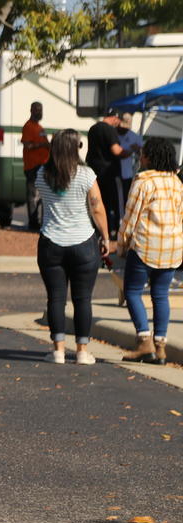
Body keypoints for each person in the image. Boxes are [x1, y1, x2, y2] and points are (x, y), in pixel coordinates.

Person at [35, 129, 110, 365]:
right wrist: (106, 237)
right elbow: (96, 207)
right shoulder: (86, 174)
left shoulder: (41, 174)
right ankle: (81, 351)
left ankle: (57, 350)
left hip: (51, 242)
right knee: (82, 299)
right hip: (83, 243)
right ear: (75, 147)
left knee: (55, 298)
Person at [117, 137, 183, 365]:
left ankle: (144, 342)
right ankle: (161, 348)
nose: (141, 157)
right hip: (172, 248)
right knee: (160, 295)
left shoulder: (142, 182)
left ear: (149, 157)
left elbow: (130, 217)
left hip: (146, 246)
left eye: (143, 154)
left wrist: (122, 245)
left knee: (133, 291)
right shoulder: (177, 183)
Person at [86, 109, 131, 236]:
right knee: (116, 203)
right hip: (110, 173)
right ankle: (116, 230)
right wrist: (130, 151)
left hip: (95, 172)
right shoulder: (109, 129)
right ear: (115, 118)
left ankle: (99, 229)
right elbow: (116, 151)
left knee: (100, 201)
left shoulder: (93, 128)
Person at [21, 101, 50, 231]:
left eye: (41, 109)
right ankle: (33, 223)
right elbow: (27, 145)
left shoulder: (40, 127)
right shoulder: (28, 126)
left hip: (43, 165)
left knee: (43, 195)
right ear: (31, 110)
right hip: (33, 166)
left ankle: (42, 222)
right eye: (37, 109)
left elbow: (47, 143)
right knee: (33, 196)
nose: (40, 112)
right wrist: (41, 145)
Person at [116, 112, 143, 215]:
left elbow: (143, 154)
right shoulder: (112, 134)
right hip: (113, 173)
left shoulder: (134, 136)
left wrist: (138, 149)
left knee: (126, 200)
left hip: (127, 174)